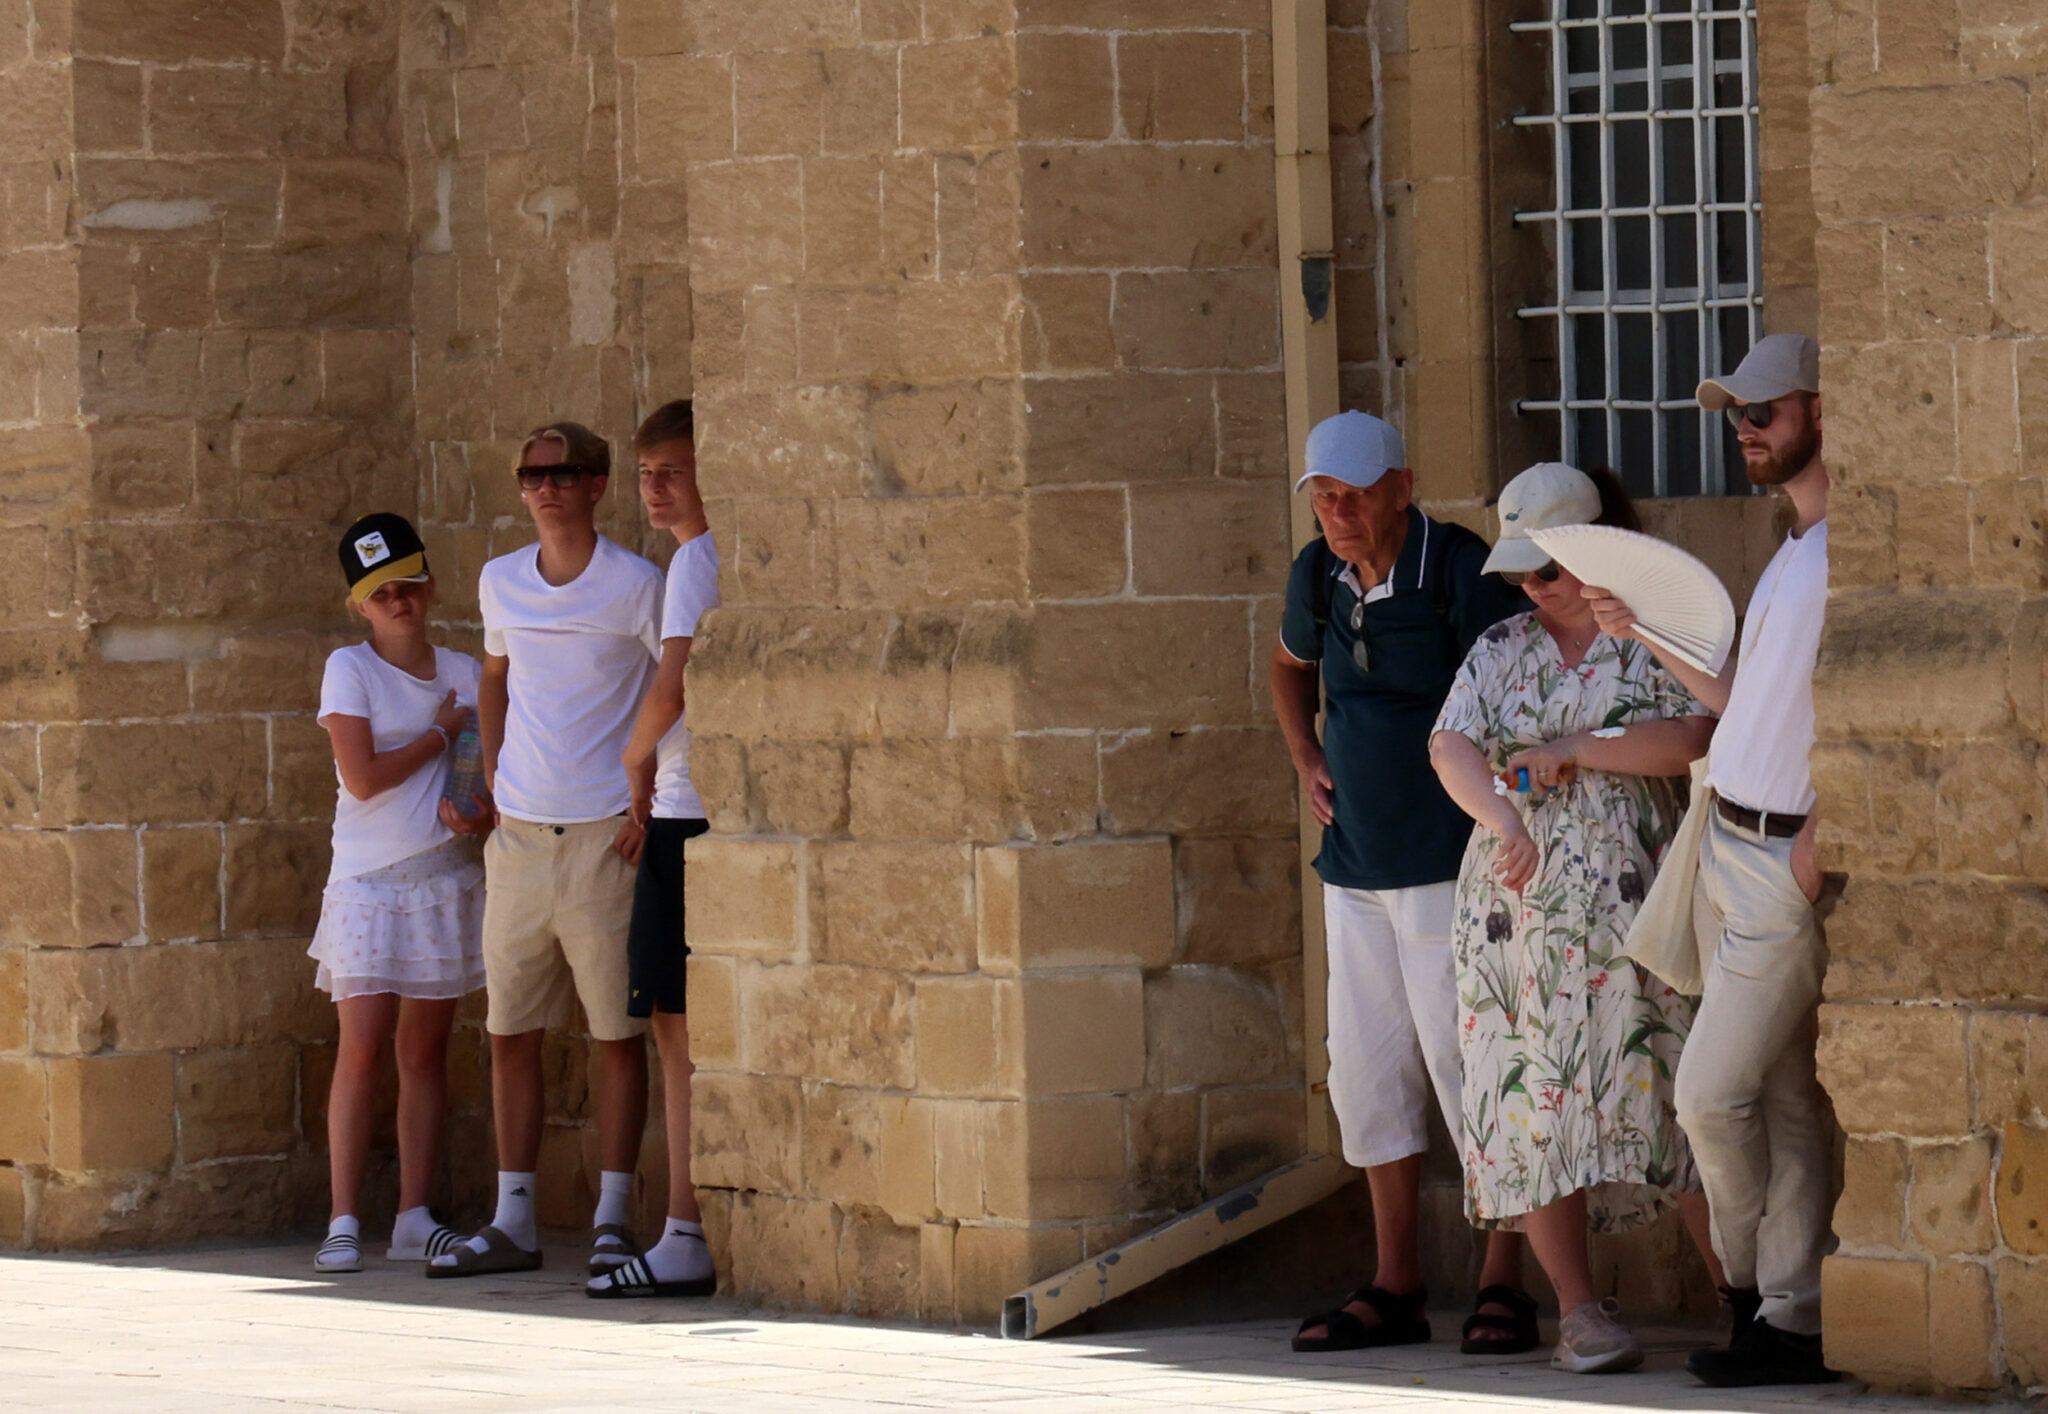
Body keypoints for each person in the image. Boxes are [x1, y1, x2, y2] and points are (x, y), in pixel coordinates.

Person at [1428, 462, 1725, 1373]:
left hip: (1639, 904)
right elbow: (1449, 744)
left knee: (1677, 1088)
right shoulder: (1502, 647)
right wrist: (1503, 818)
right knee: (1535, 1096)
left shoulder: (1651, 636)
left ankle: (1743, 1296)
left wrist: (1576, 748)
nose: (1533, 587)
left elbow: (1692, 737)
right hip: (1519, 913)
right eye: (1521, 571)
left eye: (1548, 568)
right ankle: (1579, 1312)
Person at [1585, 333, 1836, 1386]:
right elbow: (1741, 701)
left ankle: (1750, 1294)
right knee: (1780, 1100)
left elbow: (1870, 709)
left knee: (1707, 1096)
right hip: (1727, 840)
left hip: (1778, 862)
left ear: (1819, 411)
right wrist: (1640, 630)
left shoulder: (1848, 552)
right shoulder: (1793, 549)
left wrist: (1819, 842)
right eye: (1737, 415)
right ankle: (1787, 1319)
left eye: (1762, 412)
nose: (1745, 430)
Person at [1270, 411, 1535, 1355]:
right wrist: (1305, 755)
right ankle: (1397, 1283)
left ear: (1402, 488)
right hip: (1354, 870)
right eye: (1324, 498)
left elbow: (1510, 696)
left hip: (1449, 867)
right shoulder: (1317, 576)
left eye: (1354, 495)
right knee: (1366, 1074)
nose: (1338, 514)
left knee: (1471, 1068)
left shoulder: (1461, 572)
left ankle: (1506, 1278)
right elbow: (1288, 666)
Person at [429, 422, 665, 1280]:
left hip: (606, 833)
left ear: (597, 483)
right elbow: (493, 676)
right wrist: (490, 775)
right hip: (520, 838)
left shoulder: (637, 584)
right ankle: (513, 1219)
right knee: (509, 1029)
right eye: (531, 476)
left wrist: (650, 801)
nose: (545, 489)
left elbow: (675, 687)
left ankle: (611, 1219)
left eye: (563, 474)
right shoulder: (500, 580)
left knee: (617, 1034)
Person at [310, 512, 491, 1274]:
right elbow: (362, 778)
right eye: (382, 593)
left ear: (431, 585)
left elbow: (486, 774)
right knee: (360, 1050)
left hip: (441, 879)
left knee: (424, 1052)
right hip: (366, 882)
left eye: (409, 585)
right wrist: (439, 734)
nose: (399, 602)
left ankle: (414, 1215)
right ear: (360, 604)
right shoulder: (348, 669)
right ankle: (343, 1219)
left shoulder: (465, 672)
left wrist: (476, 810)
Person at [587, 400, 719, 1300]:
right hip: (689, 808)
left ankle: (683, 1231)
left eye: (673, 470)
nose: (656, 489)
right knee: (673, 1025)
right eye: (645, 474)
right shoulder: (703, 559)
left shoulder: (695, 562)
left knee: (675, 1029)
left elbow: (668, 692)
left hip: (680, 809)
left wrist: (632, 764)